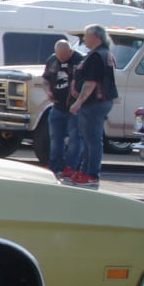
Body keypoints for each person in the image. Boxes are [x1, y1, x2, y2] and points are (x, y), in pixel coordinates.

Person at [62, 25, 117, 190]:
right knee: (90, 140)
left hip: (94, 103)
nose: (84, 39)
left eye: (86, 35)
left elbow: (91, 82)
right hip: (101, 102)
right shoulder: (106, 54)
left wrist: (78, 102)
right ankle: (85, 172)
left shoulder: (96, 56)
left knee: (91, 141)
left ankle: (91, 175)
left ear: (96, 37)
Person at [42, 38, 82, 179]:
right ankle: (54, 166)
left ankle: (70, 167)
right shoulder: (52, 60)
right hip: (57, 106)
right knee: (55, 138)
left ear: (71, 51)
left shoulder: (80, 61)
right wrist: (48, 92)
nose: (61, 59)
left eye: (64, 56)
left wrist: (78, 102)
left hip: (74, 108)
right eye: (59, 56)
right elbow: (45, 79)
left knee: (74, 139)